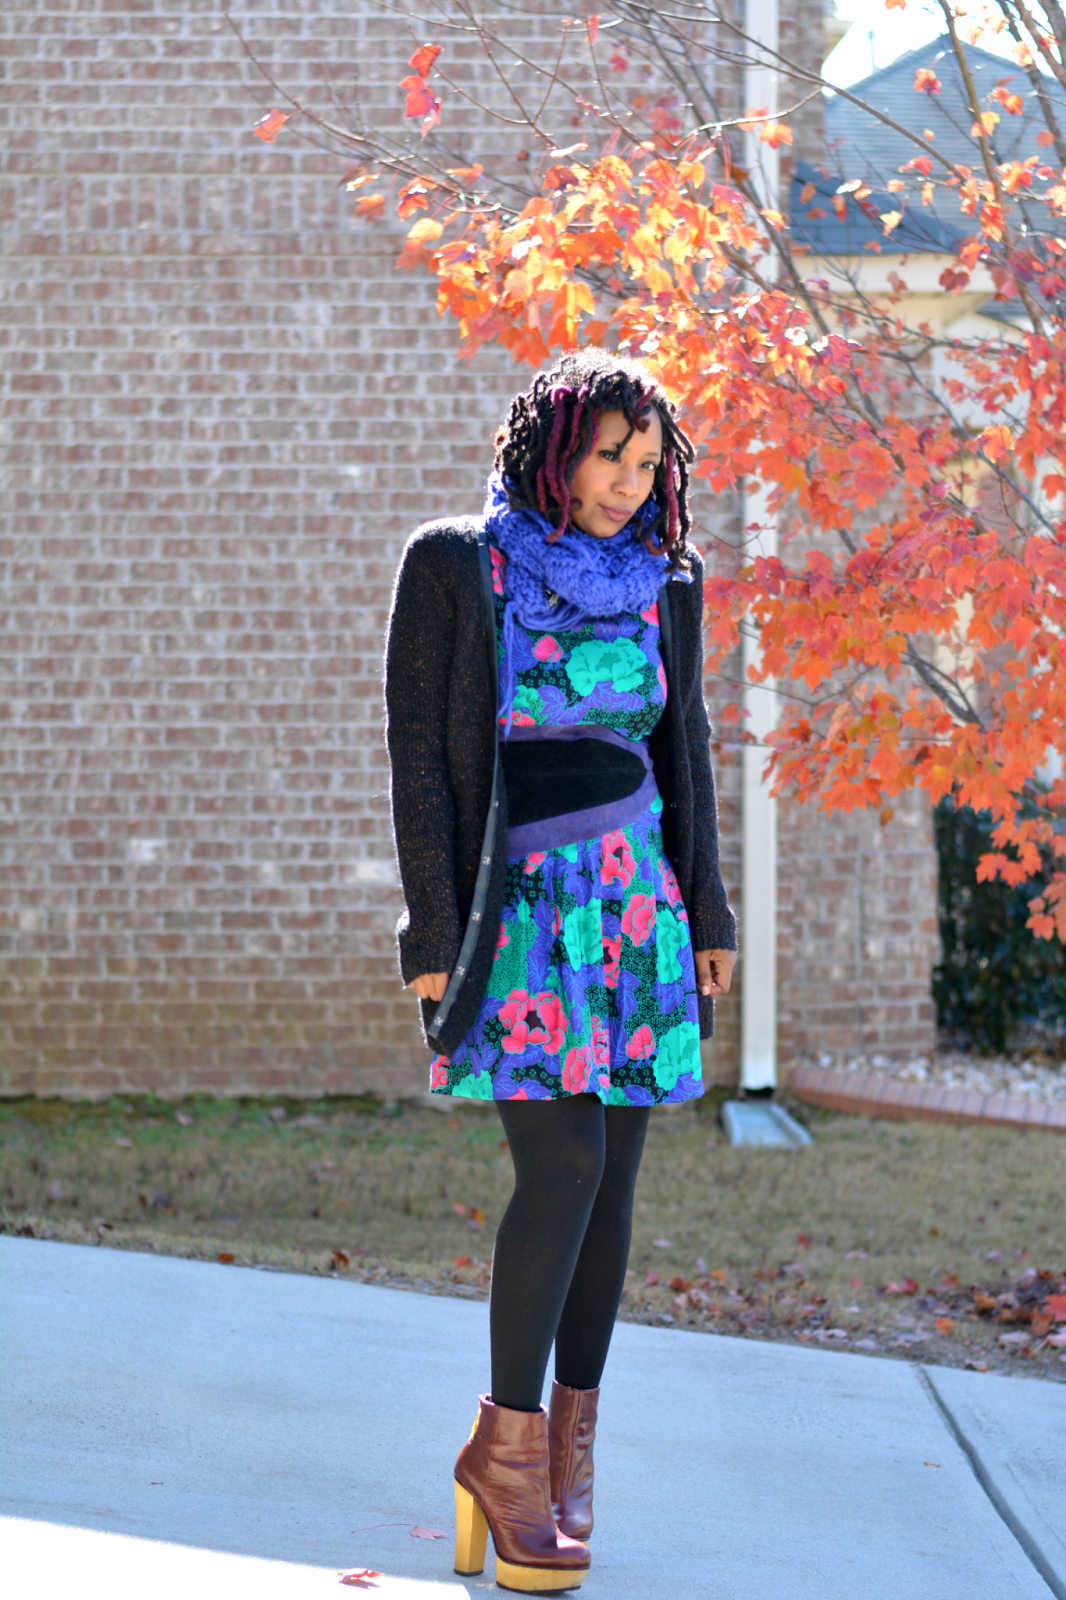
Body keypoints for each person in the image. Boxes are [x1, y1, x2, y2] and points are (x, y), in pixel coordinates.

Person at [385, 348, 736, 1592]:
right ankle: (508, 1448)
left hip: (638, 908)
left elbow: (680, 744)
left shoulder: (666, 582)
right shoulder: (453, 565)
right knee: (564, 1161)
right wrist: (432, 939)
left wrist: (711, 910)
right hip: (522, 913)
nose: (628, 486)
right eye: (607, 457)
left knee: (616, 1181)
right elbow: (420, 761)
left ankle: (570, 1448)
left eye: (648, 467)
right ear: (552, 446)